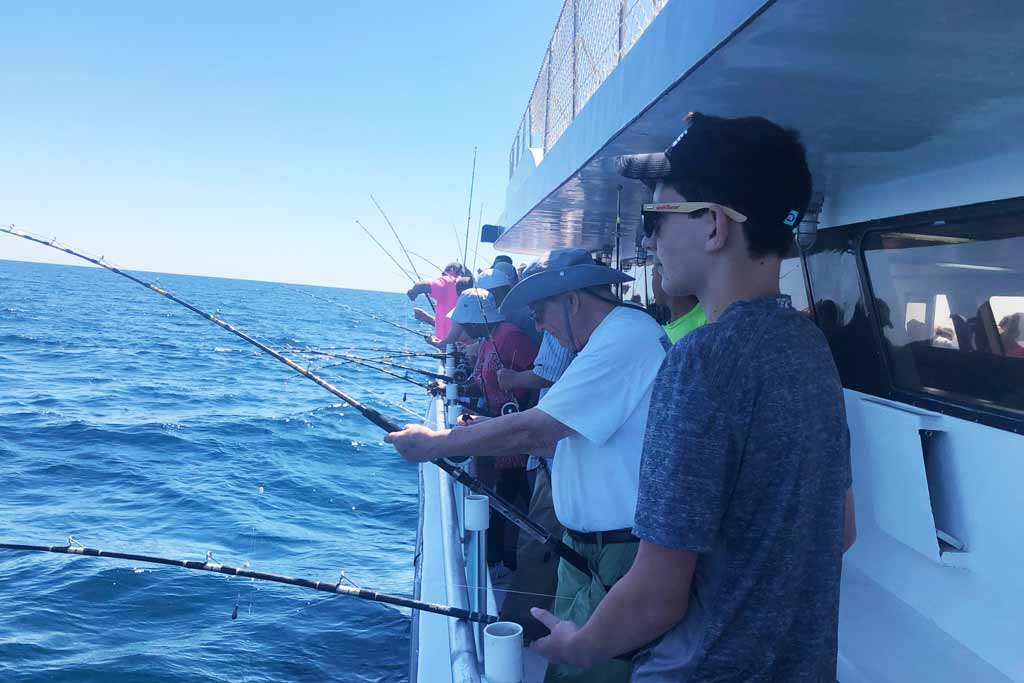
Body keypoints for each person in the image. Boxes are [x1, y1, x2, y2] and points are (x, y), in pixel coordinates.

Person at [531, 112, 855, 682]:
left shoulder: (700, 361)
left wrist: (581, 644)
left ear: (713, 226)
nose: (649, 238)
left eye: (657, 216)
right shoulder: (811, 348)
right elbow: (841, 531)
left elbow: (658, 595)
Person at [386, 248, 670, 683]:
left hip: (619, 553)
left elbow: (538, 431)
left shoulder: (623, 337)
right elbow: (573, 440)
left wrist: (438, 443)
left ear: (571, 301)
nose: (538, 327)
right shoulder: (613, 337)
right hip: (593, 551)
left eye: (539, 313)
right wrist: (482, 428)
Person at [447, 288, 539, 569]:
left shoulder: (510, 336)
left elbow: (541, 376)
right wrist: (451, 389)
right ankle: (500, 559)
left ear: (477, 320)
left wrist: (525, 414)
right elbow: (478, 381)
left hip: (517, 437)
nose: (462, 331)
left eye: (465, 324)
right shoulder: (487, 341)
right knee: (505, 498)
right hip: (499, 433)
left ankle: (502, 561)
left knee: (509, 500)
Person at [652, 264, 705, 343]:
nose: (652, 282)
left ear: (666, 273)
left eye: (652, 274)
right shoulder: (660, 331)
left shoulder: (707, 320)